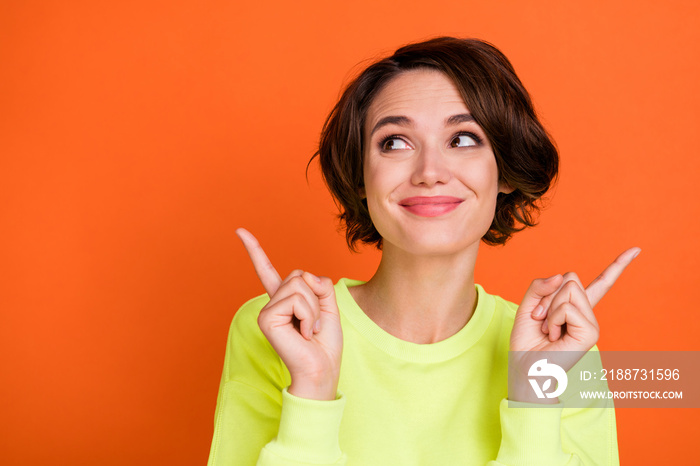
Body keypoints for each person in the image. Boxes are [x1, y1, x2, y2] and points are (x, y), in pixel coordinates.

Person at [207, 37, 638, 465]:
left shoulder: (562, 352)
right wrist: (312, 393)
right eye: (395, 142)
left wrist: (534, 398)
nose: (430, 172)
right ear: (361, 176)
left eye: (463, 139)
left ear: (504, 171)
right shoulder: (282, 330)